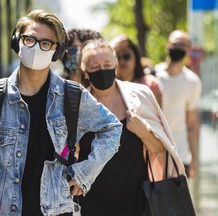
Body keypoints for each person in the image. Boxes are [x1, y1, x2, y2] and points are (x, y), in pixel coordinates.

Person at [0, 9, 122, 216]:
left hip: (58, 210)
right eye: (29, 40)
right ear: (17, 42)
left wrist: (84, 174)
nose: (37, 48)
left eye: (46, 43)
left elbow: (112, 128)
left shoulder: (72, 96)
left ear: (56, 51)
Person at [77, 39, 186, 216]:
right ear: (86, 72)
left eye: (107, 64)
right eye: (95, 66)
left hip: (136, 202)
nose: (102, 70)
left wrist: (144, 133)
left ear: (116, 65)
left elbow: (159, 149)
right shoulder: (78, 105)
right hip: (90, 203)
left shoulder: (140, 96)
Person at [155, 30, 202, 178]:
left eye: (183, 45)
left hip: (179, 155)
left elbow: (192, 124)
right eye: (175, 44)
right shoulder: (152, 75)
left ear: (188, 50)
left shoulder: (192, 82)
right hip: (153, 153)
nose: (178, 48)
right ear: (167, 45)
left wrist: (194, 159)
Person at [109, 34, 163, 106]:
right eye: (118, 57)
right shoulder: (109, 87)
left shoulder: (150, 84)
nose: (122, 61)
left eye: (126, 56)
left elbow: (158, 116)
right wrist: (112, 47)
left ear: (136, 58)